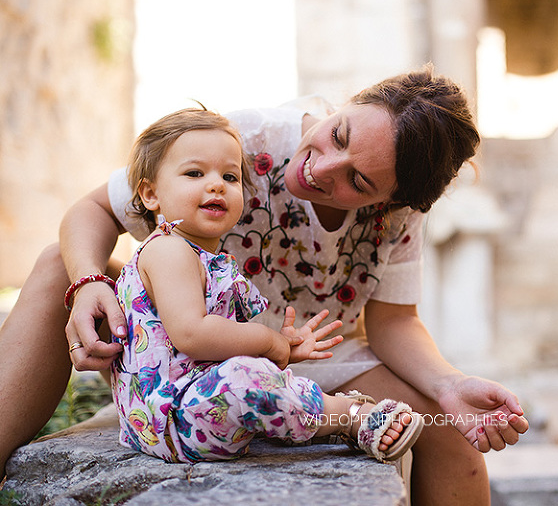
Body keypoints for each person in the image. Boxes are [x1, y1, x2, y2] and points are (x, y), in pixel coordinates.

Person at [0, 66, 529, 504]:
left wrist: (448, 387)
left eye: (359, 182)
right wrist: (89, 280)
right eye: (338, 134)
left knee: (453, 438)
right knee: (56, 265)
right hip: (188, 353)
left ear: (388, 202)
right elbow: (93, 208)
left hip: (322, 355)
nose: (323, 167)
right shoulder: (239, 144)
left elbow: (394, 322)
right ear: (344, 106)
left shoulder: (401, 213)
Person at [109, 107, 422, 463]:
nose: (215, 184)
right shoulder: (168, 250)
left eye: (229, 177)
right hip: (170, 415)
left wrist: (281, 348)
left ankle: (302, 417)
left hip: (191, 408)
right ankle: (350, 416)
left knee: (255, 374)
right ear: (150, 195)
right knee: (248, 375)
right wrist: (270, 342)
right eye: (194, 173)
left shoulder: (200, 256)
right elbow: (191, 334)